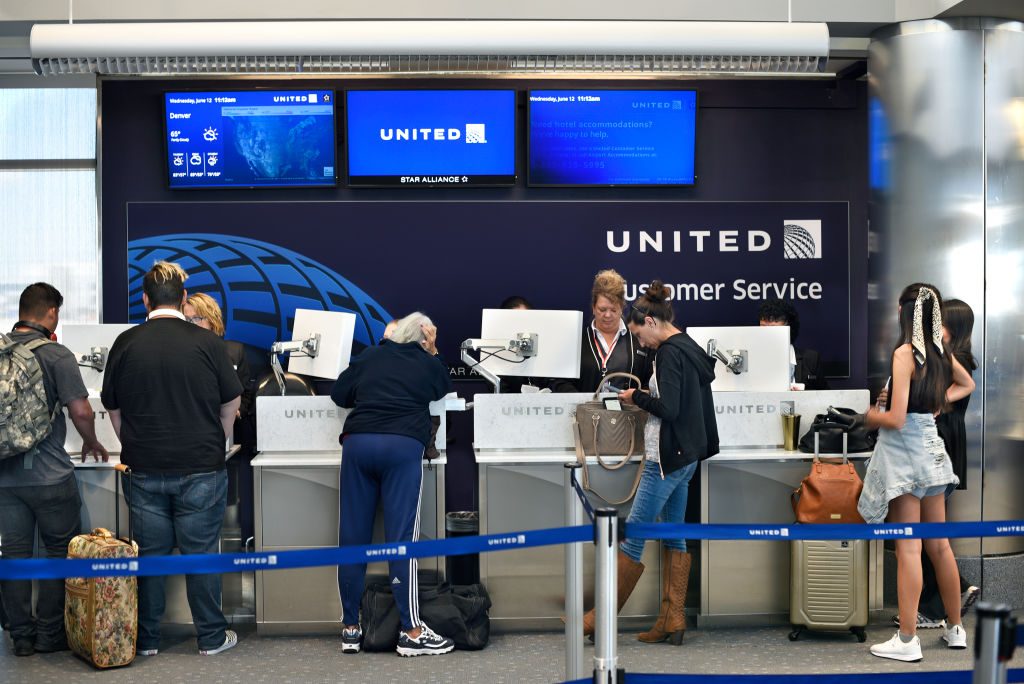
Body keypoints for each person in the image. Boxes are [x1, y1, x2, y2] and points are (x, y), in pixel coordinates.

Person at [101, 262, 242, 657]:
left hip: (143, 468)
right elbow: (232, 399)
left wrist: (131, 441)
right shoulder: (208, 343)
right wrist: (219, 434)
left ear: (144, 299)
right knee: (201, 556)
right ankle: (211, 638)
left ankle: (146, 640)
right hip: (201, 466)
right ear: (183, 299)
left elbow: (112, 408)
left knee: (150, 558)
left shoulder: (126, 343)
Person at [578, 281, 719, 644]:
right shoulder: (689, 347)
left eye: (640, 335)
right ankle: (672, 620)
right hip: (686, 455)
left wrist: (636, 395)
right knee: (674, 534)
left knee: (635, 534)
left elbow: (668, 408)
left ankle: (599, 620)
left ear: (652, 321)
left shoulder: (670, 353)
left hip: (666, 458)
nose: (640, 343)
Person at [859, 283, 975, 662]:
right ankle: (955, 629)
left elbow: (894, 418)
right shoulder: (940, 352)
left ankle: (907, 639)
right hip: (933, 453)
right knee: (939, 545)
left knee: (909, 547)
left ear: (903, 312)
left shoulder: (906, 354)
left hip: (906, 455)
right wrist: (938, 403)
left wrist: (867, 416)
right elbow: (967, 384)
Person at [331, 312, 455, 657]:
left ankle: (351, 629)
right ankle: (412, 631)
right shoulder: (426, 361)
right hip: (401, 447)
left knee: (352, 537)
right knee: (402, 541)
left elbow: (340, 394)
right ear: (423, 337)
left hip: (357, 445)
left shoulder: (370, 355)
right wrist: (433, 352)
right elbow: (442, 387)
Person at [0, 283, 109, 657]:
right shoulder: (57, 355)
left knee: (13, 555)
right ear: (50, 313)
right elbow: (80, 410)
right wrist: (93, 442)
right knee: (57, 552)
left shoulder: (1, 352)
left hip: (5, 477)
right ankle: (49, 635)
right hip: (49, 475)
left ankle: (21, 636)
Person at [890, 298, 979, 629]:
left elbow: (926, 403)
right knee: (931, 537)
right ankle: (943, 612)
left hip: (935, 444)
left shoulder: (947, 358)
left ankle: (930, 611)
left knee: (923, 538)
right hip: (938, 444)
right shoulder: (942, 357)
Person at [184, 293, 257, 541]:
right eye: (186, 320)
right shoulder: (180, 353)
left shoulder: (234, 351)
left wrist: (237, 410)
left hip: (229, 440)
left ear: (212, 320)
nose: (190, 325)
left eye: (196, 319)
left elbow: (246, 392)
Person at [553, 269, 652, 393]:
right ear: (593, 308)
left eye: (613, 310)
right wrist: (581, 402)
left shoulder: (640, 340)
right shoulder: (576, 340)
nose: (607, 315)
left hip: (629, 411)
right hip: (585, 410)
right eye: (602, 309)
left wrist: (638, 396)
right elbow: (560, 382)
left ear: (622, 307)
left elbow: (652, 382)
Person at [758, 299, 828, 390]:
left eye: (773, 328)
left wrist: (803, 394)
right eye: (763, 328)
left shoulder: (811, 359)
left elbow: (826, 397)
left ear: (789, 327)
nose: (767, 334)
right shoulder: (752, 360)